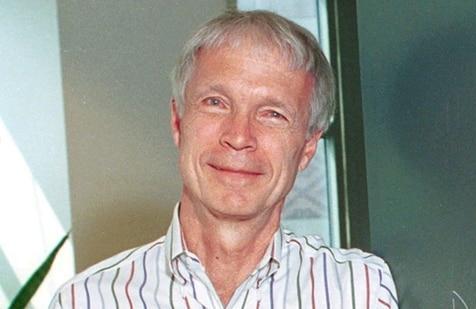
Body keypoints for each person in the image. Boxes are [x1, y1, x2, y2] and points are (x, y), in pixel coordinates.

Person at [50, 10, 398, 308]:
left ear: (308, 146)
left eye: (273, 114)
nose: (239, 137)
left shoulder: (357, 289)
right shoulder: (85, 300)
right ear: (178, 122)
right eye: (216, 103)